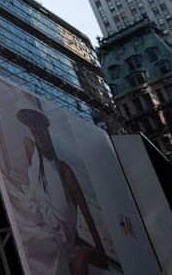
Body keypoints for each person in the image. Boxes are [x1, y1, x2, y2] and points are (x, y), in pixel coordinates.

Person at [16, 103, 112, 275]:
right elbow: (37, 186)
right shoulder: (29, 146)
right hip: (40, 222)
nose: (34, 128)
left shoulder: (64, 170)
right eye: (30, 124)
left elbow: (84, 208)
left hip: (61, 236)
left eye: (36, 122)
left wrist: (92, 250)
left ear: (44, 125)